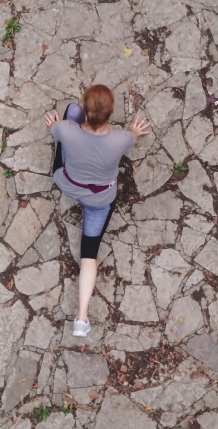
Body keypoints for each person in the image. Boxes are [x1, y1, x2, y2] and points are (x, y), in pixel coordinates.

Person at [44, 84, 151, 337]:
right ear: (111, 112)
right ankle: (81, 318)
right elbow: (133, 138)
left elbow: (54, 128)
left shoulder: (65, 129)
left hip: (69, 184)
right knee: (88, 255)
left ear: (85, 108)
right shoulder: (122, 139)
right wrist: (135, 130)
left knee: (67, 110)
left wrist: (57, 126)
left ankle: (82, 317)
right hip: (99, 200)